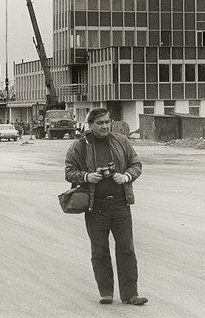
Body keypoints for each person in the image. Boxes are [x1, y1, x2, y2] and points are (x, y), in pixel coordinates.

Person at [65, 108, 147, 306]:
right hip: (96, 207)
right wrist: (86, 176)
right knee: (100, 250)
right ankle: (106, 293)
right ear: (90, 125)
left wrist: (126, 176)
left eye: (107, 122)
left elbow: (136, 165)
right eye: (100, 123)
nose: (105, 126)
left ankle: (130, 294)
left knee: (126, 249)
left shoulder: (121, 141)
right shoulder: (80, 145)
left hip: (120, 204)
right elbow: (69, 171)